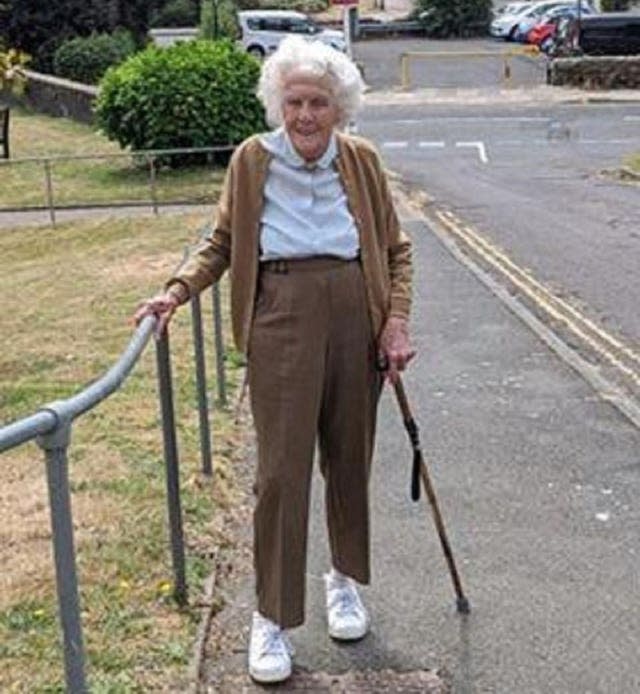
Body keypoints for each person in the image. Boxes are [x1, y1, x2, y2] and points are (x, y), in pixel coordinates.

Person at [134, 35, 415, 684]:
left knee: (350, 458)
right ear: (277, 105)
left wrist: (394, 322)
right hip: (280, 314)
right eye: (295, 102)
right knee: (281, 474)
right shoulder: (252, 161)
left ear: (340, 108)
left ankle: (342, 581)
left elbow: (397, 251)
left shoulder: (363, 160)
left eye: (319, 102)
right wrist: (176, 292)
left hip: (355, 313)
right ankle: (272, 617)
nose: (306, 115)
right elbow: (223, 242)